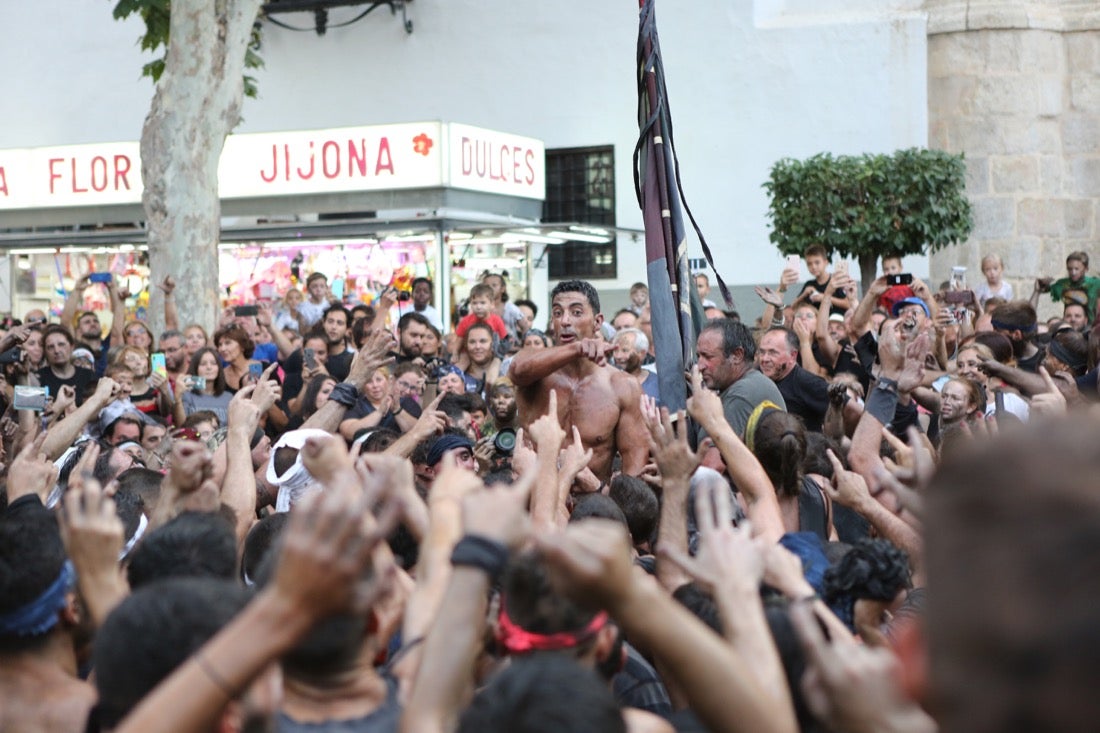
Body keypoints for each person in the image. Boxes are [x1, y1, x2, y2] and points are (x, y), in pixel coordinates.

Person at [509, 280, 649, 481]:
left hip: (593, 502)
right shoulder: (533, 368)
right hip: (536, 499)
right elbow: (517, 370)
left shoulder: (622, 386)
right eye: (558, 313)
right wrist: (577, 348)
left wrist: (601, 493)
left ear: (598, 322)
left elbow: (634, 472)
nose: (565, 321)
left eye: (576, 312)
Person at [694, 318, 786, 454]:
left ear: (737, 355)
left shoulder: (742, 393)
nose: (700, 366)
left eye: (708, 357)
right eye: (699, 356)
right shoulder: (745, 384)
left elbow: (713, 467)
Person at [757, 327, 829, 433]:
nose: (765, 359)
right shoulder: (756, 377)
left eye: (773, 353)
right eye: (762, 352)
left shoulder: (808, 382)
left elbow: (851, 412)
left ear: (792, 355)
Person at [37, 325, 97, 406]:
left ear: (72, 347)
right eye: (50, 347)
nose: (57, 350)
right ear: (45, 352)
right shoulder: (38, 378)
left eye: (61, 344)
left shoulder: (89, 375)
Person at [173, 346, 233, 426]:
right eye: (203, 364)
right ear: (195, 368)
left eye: (213, 363)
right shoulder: (186, 395)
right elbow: (181, 425)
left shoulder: (228, 397)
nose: (209, 367)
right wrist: (178, 398)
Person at [1035, 250, 1100, 322]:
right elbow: (1043, 289)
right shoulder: (1062, 284)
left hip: (1090, 324)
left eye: (1076, 269)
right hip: (1070, 322)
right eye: (1070, 269)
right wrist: (1043, 283)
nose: (1073, 272)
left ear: (1086, 269)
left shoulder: (1095, 284)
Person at [793, 244, 852, 316]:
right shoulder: (809, 284)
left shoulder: (835, 281)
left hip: (836, 323)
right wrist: (803, 294)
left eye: (817, 263)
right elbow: (793, 308)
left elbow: (848, 304)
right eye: (809, 264)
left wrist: (824, 298)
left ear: (826, 262)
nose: (813, 267)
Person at [612, 327, 660, 403]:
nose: (618, 356)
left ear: (642, 353)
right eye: (615, 350)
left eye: (625, 350)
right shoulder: (608, 382)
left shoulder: (658, 384)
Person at [454, 321, 501, 396]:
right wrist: (457, 370)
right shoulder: (459, 374)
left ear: (493, 344)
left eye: (483, 341)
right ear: (466, 345)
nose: (477, 346)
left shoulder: (505, 371)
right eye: (472, 342)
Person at [481, 271, 529, 341]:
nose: (490, 288)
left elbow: (525, 327)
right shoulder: (478, 308)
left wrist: (523, 345)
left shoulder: (511, 309)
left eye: (494, 285)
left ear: (502, 289)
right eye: (487, 286)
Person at [317, 304, 354, 382]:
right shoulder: (309, 354)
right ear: (323, 323)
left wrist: (326, 378)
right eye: (330, 321)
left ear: (347, 329)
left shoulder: (352, 362)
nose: (334, 327)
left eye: (340, 323)